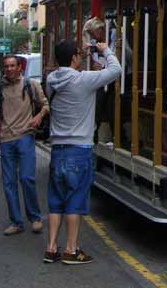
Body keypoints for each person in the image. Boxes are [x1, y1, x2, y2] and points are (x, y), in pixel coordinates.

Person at [44, 39, 120, 264]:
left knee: (56, 201)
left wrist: (81, 54)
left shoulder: (51, 80)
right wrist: (104, 49)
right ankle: (71, 250)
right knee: (75, 201)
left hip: (57, 149)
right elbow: (116, 69)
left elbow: (68, 66)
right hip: (79, 149)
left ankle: (50, 248)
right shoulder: (84, 80)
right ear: (76, 58)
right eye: (78, 55)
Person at [0, 55, 49, 236]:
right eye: (6, 66)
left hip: (25, 136)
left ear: (19, 67)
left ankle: (35, 217)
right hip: (6, 139)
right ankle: (16, 221)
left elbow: (45, 105)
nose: (9, 69)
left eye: (12, 66)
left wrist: (38, 117)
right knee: (8, 183)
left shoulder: (30, 85)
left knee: (26, 178)